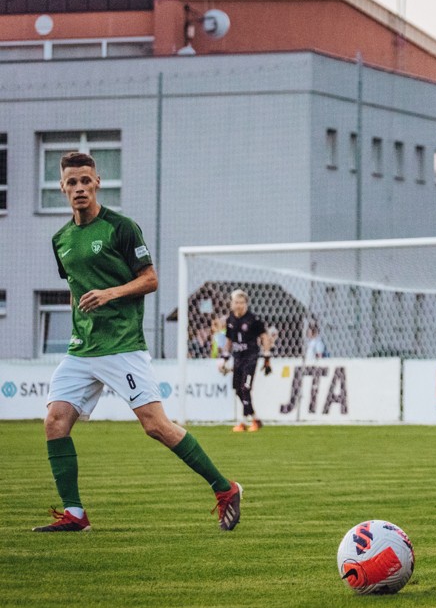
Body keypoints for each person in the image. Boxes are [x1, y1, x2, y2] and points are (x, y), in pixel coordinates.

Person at [36, 152, 242, 533]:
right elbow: (76, 288)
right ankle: (75, 514)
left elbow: (150, 279)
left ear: (98, 182)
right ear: (62, 188)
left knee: (155, 426)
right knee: (55, 421)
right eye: (71, 183)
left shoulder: (121, 227)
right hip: (82, 349)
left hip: (123, 346)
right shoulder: (60, 239)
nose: (79, 188)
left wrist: (110, 294)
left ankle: (225, 488)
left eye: (86, 180)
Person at [219, 289, 272, 432]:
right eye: (236, 302)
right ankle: (255, 418)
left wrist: (267, 357)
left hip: (251, 357)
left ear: (246, 304)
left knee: (245, 388)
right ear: (231, 304)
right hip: (237, 358)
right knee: (238, 390)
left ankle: (242, 422)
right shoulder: (230, 320)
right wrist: (224, 359)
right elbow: (229, 341)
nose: (239, 305)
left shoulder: (253, 320)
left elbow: (265, 337)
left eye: (242, 303)